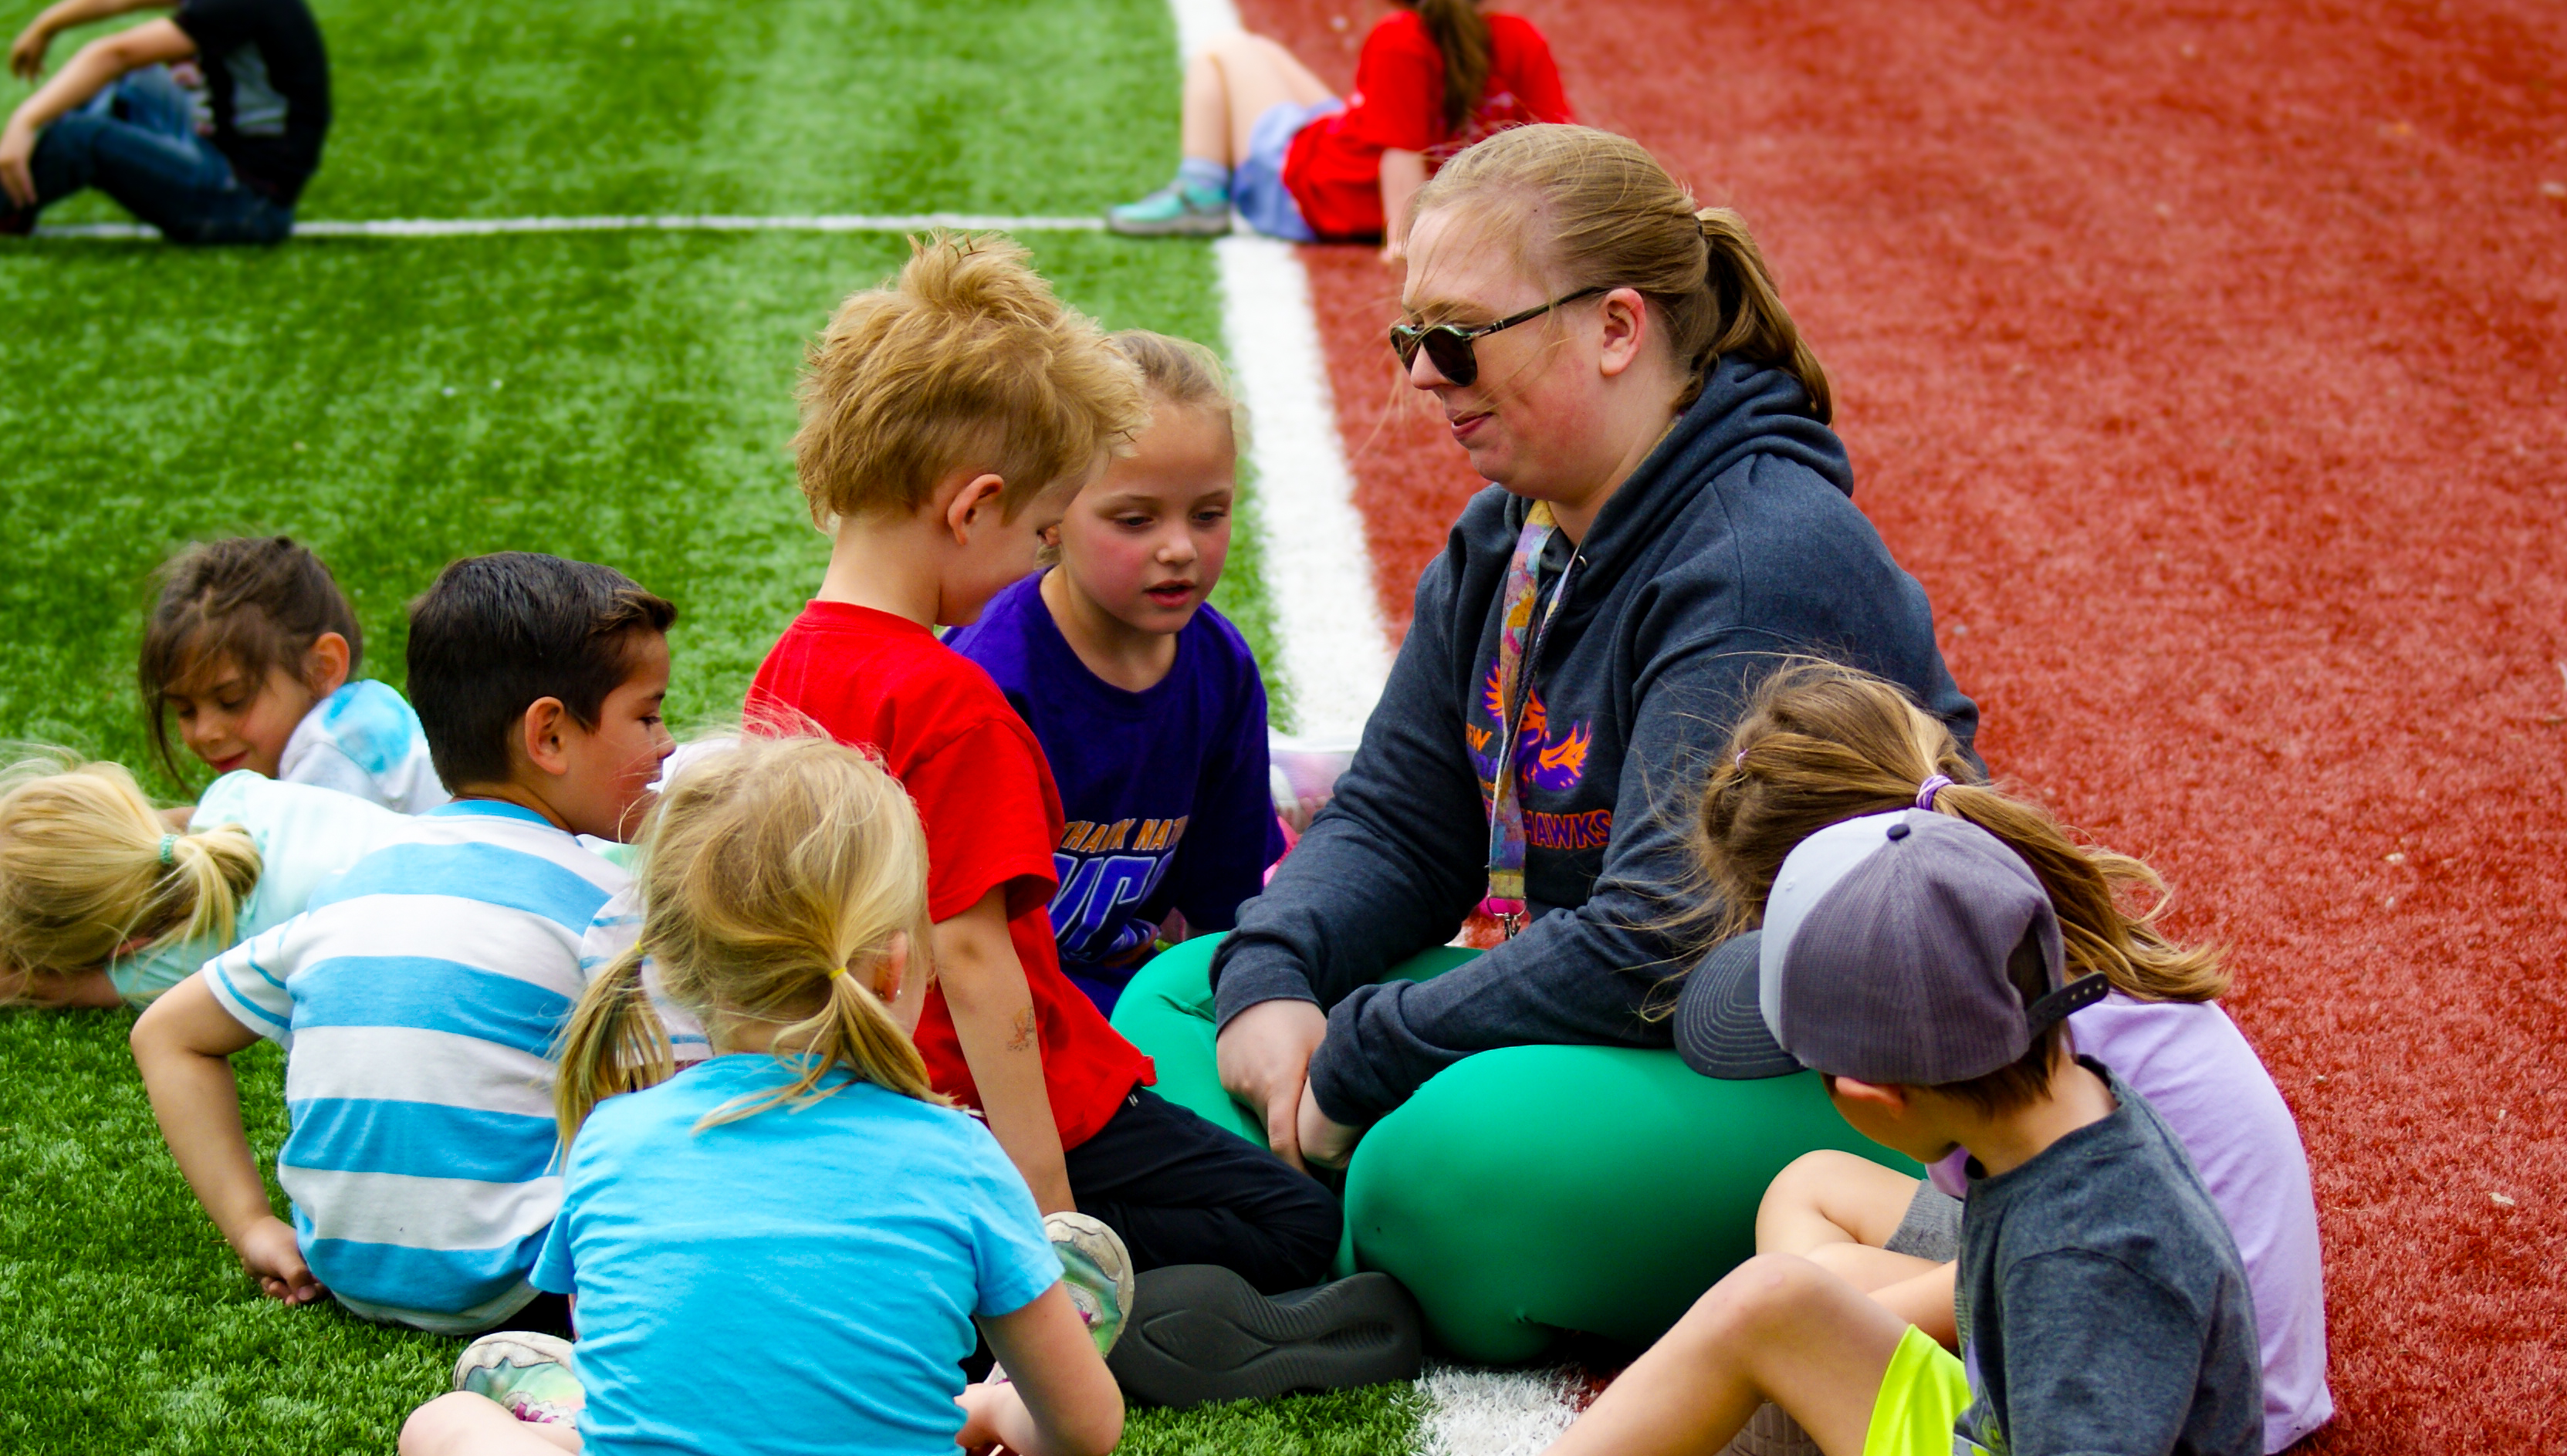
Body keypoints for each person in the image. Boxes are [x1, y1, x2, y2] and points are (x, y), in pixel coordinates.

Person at [1109, 124, 1974, 1360]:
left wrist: (1356, 1057)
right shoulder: (1504, 535)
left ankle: (1283, 1238)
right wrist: (1276, 979)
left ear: (1616, 327)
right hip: (1606, 1025)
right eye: (1409, 340)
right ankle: (1312, 1259)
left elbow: (1657, 940)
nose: (1421, 376)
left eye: (1456, 338)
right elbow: (1402, 821)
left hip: (1818, 1073)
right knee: (1175, 1004)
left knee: (1445, 1165)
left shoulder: (1756, 557)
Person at [747, 233, 1415, 1406]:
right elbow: (974, 957)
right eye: (1042, 532)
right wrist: (1046, 1220)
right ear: (974, 508)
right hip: (1005, 1103)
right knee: (1293, 1223)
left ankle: (930, 1293)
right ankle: (1063, 1321)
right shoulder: (954, 698)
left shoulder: (789, 665)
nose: (1037, 558)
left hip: (862, 1096)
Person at [397, 733, 1127, 1456]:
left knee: (444, 1423)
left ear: (675, 966)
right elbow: (1085, 1429)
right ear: (894, 965)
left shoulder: (612, 1141)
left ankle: (557, 1407)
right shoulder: (963, 1156)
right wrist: (1000, 1418)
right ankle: (991, 1388)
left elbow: (657, 1380)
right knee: (999, 1393)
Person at [1671, 659, 2330, 1454]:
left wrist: (1828, 1322)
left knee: (1776, 1319)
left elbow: (2062, 1259)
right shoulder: (2015, 951)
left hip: (2178, 1383)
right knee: (1808, 1195)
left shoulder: (1996, 1057)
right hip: (2189, 1327)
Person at [1547, 812, 2262, 1456]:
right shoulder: (2065, 1106)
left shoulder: (2084, 1266)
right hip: (1993, 1425)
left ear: (1877, 1097)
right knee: (1770, 1300)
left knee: (1769, 1314)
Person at [129, 552, 675, 1333]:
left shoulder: (355, 882)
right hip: (533, 1284)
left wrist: (253, 1227)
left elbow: (165, 1033)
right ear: (549, 736)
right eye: (649, 716)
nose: (664, 747)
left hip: (346, 1269)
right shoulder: (606, 904)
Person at [944, 331, 1284, 1017]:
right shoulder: (989, 677)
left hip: (1126, 996)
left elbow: (1227, 908)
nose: (1180, 549)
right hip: (997, 1008)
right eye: (1135, 520)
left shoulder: (1221, 670)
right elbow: (958, 947)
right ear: (1052, 515)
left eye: (1209, 514)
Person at [1107, 0, 1568, 252]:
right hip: (1344, 152)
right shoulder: (1520, 38)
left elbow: (1401, 156)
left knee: (1224, 50)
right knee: (1263, 54)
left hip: (1305, 189)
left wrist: (1405, 242)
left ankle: (1201, 192)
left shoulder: (1402, 36)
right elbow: (1558, 146)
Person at [0, 756, 403, 1009]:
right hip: (463, 856)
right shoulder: (233, 795)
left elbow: (21, 980)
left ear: (127, 947)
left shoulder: (191, 953)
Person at [142, 536, 450, 814]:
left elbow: (269, 864)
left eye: (232, 700)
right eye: (185, 711)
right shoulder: (357, 714)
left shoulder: (332, 750)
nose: (205, 732)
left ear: (321, 669)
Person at [0, 0, 327, 241]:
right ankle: (10, 198)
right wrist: (48, 23)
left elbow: (115, 54)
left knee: (83, 139)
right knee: (135, 85)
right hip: (223, 161)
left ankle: (0, 195)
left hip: (244, 205)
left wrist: (24, 120)